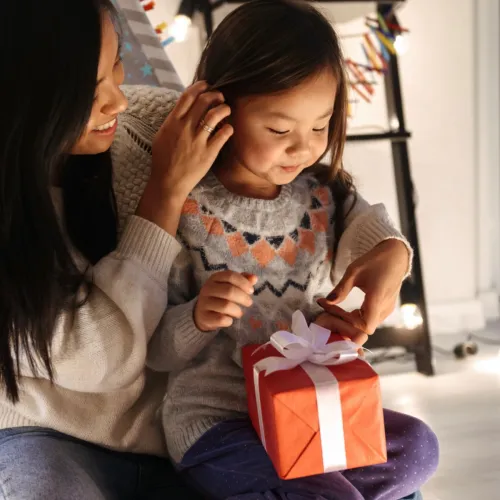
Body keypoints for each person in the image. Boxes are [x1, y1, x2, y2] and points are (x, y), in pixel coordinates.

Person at [147, 1, 439, 499]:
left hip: (310, 412)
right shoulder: (187, 206)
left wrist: (394, 254)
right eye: (280, 130)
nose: (303, 147)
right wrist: (197, 317)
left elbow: (375, 232)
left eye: (321, 126)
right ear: (222, 107)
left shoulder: (325, 196)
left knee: (418, 447)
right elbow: (155, 352)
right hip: (221, 427)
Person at [0, 0, 234, 498]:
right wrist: (164, 195)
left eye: (116, 65)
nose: (118, 101)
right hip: (39, 437)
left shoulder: (141, 124)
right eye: (88, 90)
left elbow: (284, 149)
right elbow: (97, 358)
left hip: (178, 431)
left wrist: (385, 246)